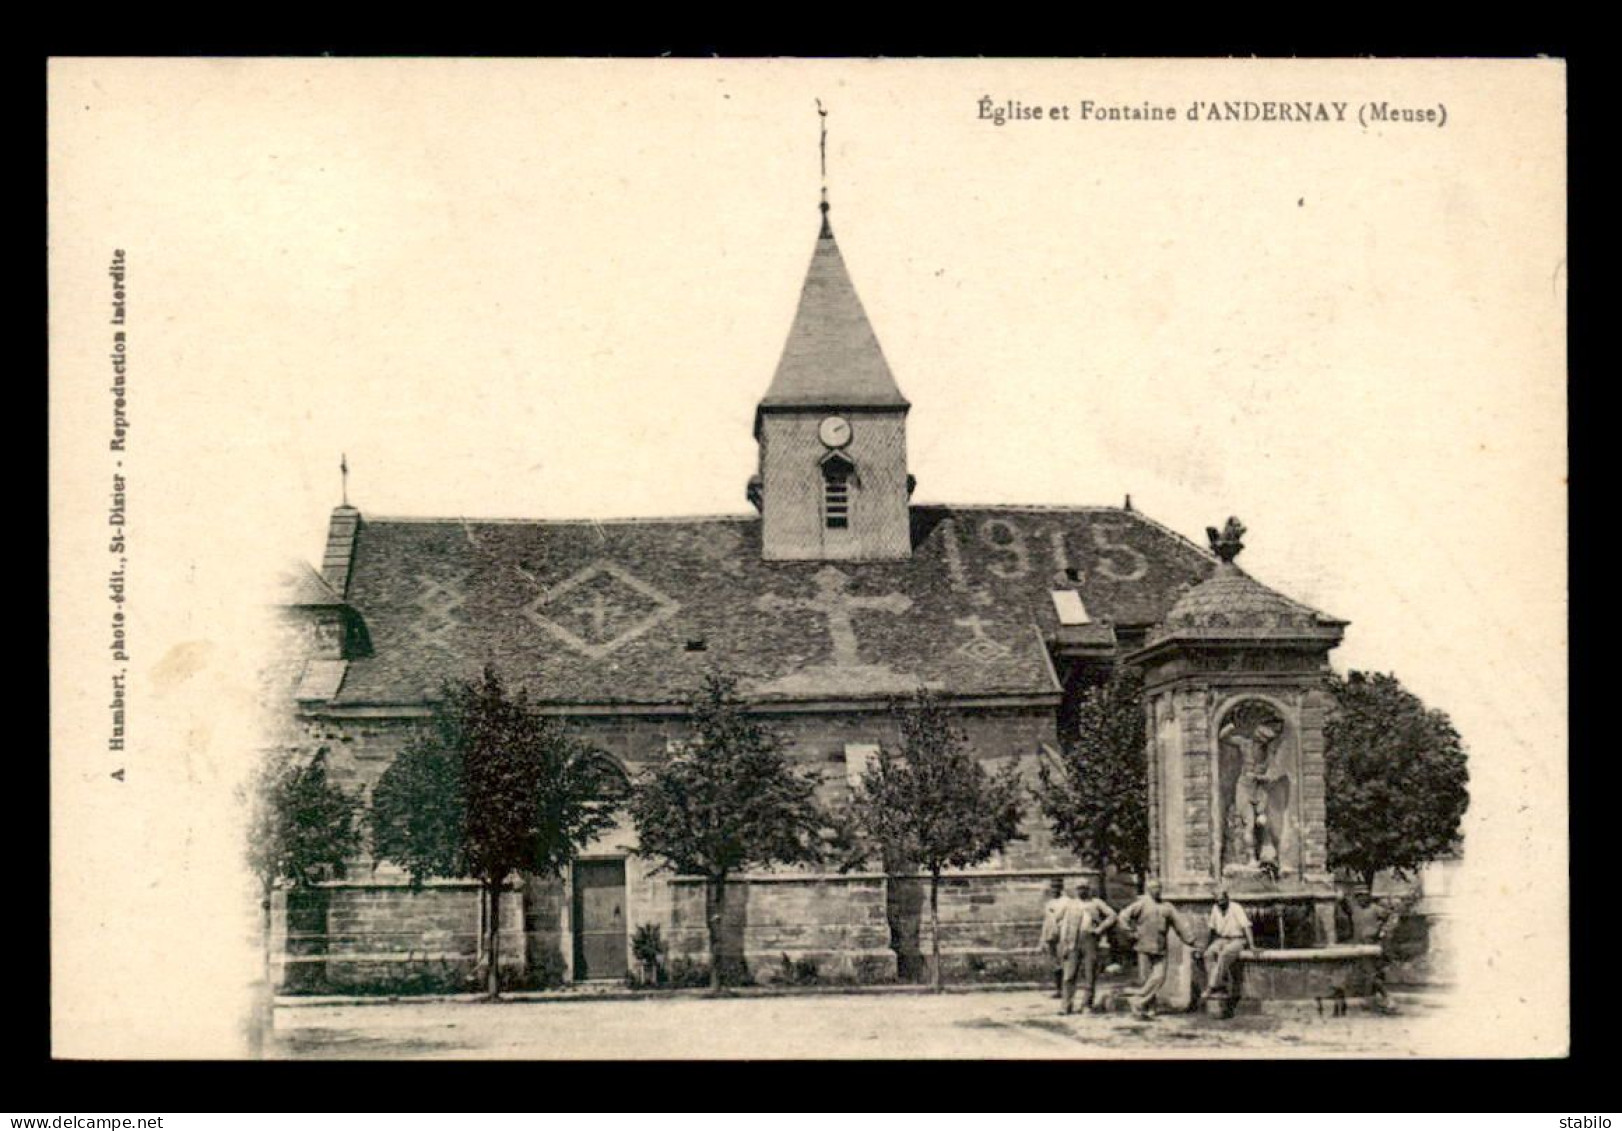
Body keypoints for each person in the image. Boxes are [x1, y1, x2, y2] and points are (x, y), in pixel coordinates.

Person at [1117, 878, 1194, 1019]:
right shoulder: (1141, 904)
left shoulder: (1167, 907)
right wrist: (1131, 933)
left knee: (1159, 977)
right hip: (1143, 946)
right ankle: (1147, 1008)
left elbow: (1180, 925)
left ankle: (1138, 1001)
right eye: (1153, 888)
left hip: (1160, 948)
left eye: (1158, 888)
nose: (1156, 890)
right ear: (1148, 889)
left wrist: (1190, 940)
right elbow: (1123, 916)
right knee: (1146, 979)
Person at [1055, 878, 1118, 1015]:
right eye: (1079, 888)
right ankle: (1066, 1005)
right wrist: (1064, 940)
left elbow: (1112, 915)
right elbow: (1058, 919)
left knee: (1090, 974)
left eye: (1084, 888)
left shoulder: (1096, 903)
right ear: (1075, 890)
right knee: (1069, 974)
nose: (1082, 891)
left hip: (1090, 939)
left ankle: (1086, 1005)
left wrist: (1100, 929)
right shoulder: (1070, 904)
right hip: (1073, 940)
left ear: (1089, 889)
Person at [1199, 887, 1254, 1012]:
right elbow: (1212, 929)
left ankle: (1211, 986)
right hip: (1222, 939)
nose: (1221, 903)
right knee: (1208, 954)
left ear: (1227, 898)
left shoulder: (1236, 908)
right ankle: (1219, 984)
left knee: (1224, 954)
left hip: (1238, 939)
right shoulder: (1215, 909)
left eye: (1223, 900)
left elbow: (1246, 927)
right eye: (1218, 901)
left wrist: (1252, 945)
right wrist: (1206, 945)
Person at [1037, 877, 1068, 1000]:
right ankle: (1058, 989)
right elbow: (1047, 921)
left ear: (1061, 888)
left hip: (1063, 935)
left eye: (1057, 887)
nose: (1055, 890)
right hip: (1051, 935)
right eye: (1053, 887)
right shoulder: (1049, 903)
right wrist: (1042, 938)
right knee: (1055, 963)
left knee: (1065, 961)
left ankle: (1066, 989)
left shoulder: (1067, 902)